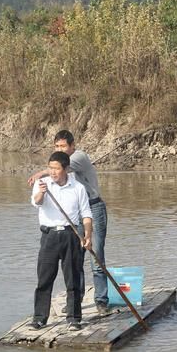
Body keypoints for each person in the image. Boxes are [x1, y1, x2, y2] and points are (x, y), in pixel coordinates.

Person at [28, 130, 109, 315]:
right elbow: (57, 177)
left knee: (95, 255)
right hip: (75, 214)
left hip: (93, 208)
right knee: (75, 259)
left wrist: (40, 173)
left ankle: (101, 300)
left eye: (63, 146)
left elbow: (60, 168)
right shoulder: (61, 169)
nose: (60, 149)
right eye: (57, 147)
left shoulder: (79, 157)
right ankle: (76, 303)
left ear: (73, 146)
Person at [30, 151, 93, 331]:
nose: (52, 172)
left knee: (73, 278)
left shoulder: (78, 187)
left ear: (66, 169)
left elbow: (86, 214)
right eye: (50, 168)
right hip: (49, 236)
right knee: (44, 278)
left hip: (70, 235)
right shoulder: (42, 184)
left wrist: (87, 236)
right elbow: (37, 203)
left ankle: (74, 318)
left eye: (56, 168)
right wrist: (41, 193)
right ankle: (40, 318)